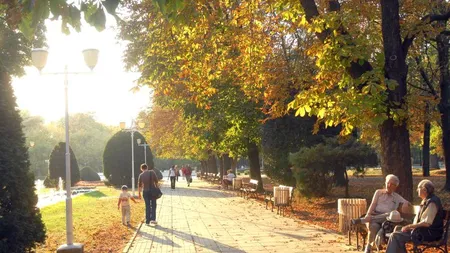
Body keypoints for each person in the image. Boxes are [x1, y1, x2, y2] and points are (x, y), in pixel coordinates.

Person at [352, 174, 410, 253]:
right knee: (374, 226)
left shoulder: (396, 197)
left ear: (395, 186)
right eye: (388, 183)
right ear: (385, 182)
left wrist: (406, 203)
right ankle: (368, 248)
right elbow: (373, 204)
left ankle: (363, 221)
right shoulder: (378, 192)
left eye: (392, 184)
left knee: (389, 214)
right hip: (375, 217)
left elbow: (407, 202)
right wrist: (368, 214)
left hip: (388, 220)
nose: (389, 185)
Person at [386, 180, 443, 253]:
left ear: (424, 190)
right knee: (397, 229)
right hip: (422, 231)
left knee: (395, 236)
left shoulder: (432, 202)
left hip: (430, 234)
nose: (417, 190)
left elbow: (426, 223)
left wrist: (409, 226)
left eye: (418, 188)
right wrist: (410, 226)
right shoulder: (426, 200)